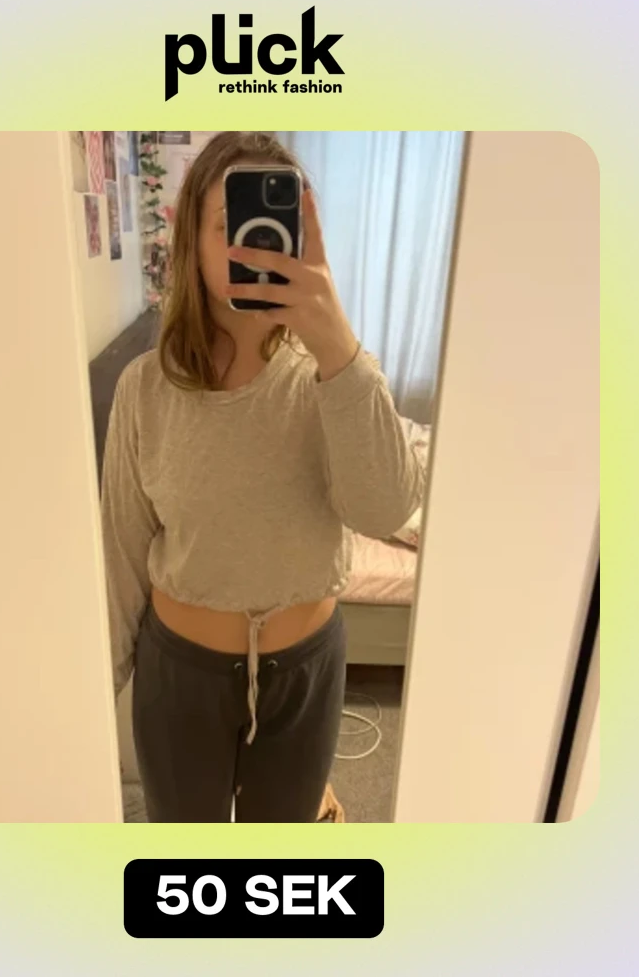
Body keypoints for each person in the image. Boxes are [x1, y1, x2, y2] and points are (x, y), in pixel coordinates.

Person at [101, 131, 426, 823]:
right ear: (193, 242)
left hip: (305, 672)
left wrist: (338, 346)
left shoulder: (335, 376)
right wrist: (90, 695)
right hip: (180, 675)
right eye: (231, 223)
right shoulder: (145, 388)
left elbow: (386, 509)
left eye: (278, 223)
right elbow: (121, 553)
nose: (256, 241)